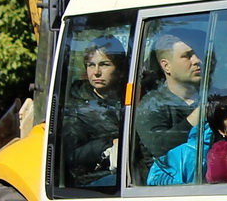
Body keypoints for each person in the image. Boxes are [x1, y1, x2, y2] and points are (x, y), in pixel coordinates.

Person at [63, 36, 127, 187]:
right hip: (93, 179)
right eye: (91, 65)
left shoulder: (133, 97)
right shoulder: (75, 107)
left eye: (104, 65)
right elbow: (69, 155)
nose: (96, 72)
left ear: (119, 68)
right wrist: (107, 145)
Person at [136, 30, 204, 169]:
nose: (197, 60)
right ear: (166, 66)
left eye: (198, 55)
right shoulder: (152, 105)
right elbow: (160, 147)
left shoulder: (212, 96)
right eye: (187, 56)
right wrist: (196, 119)